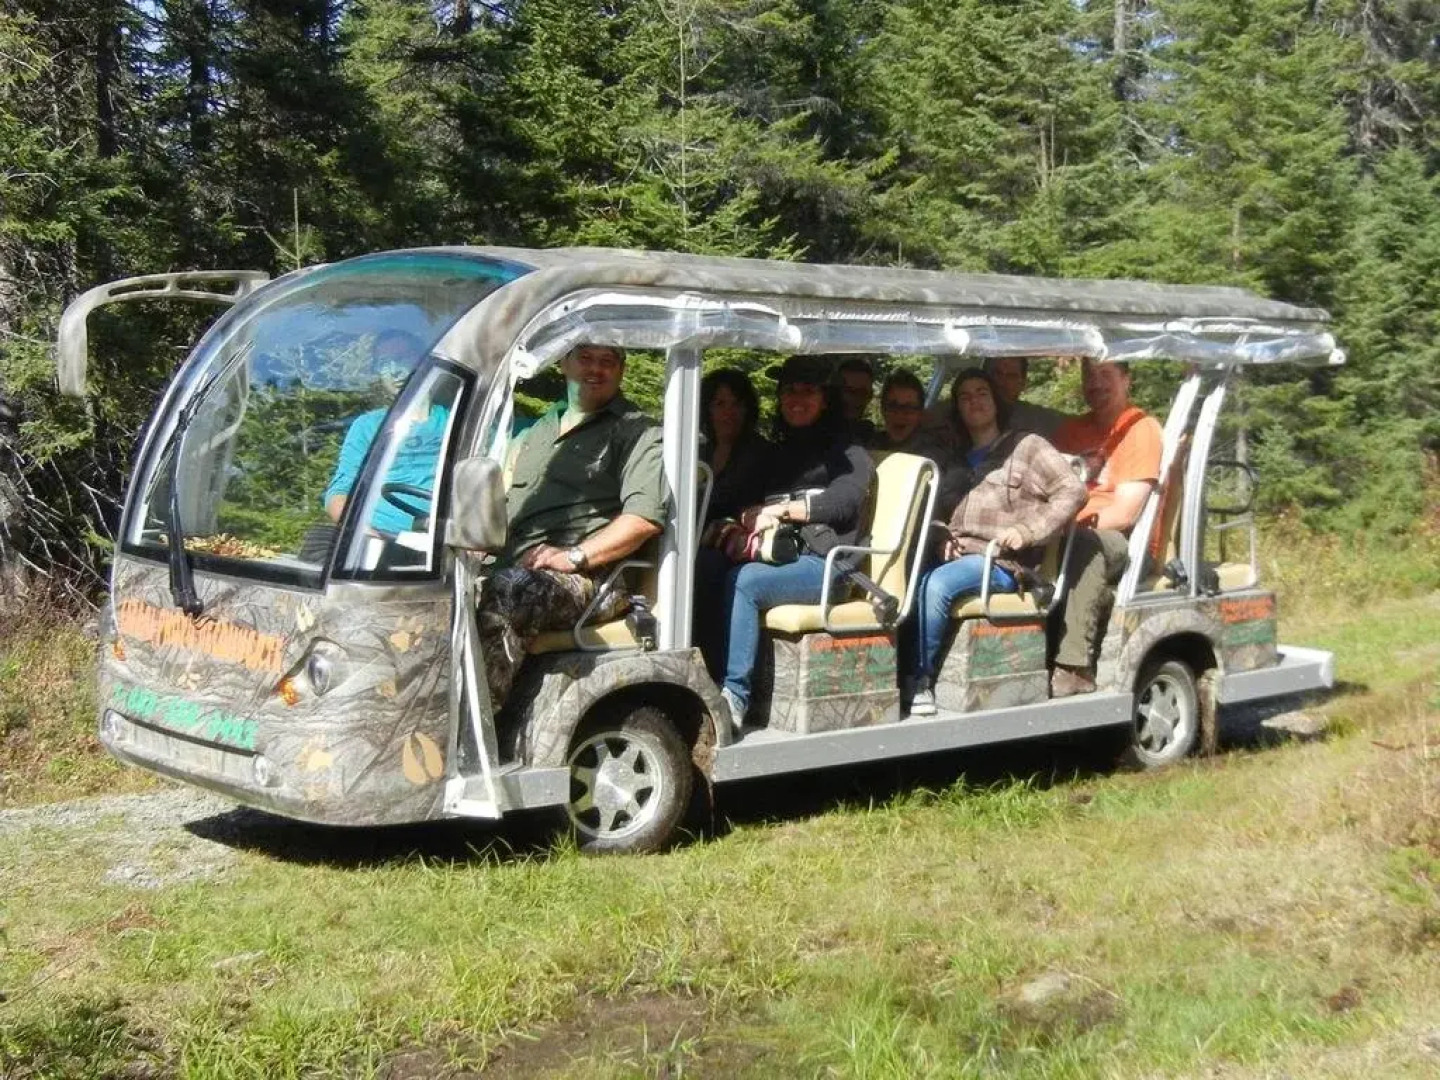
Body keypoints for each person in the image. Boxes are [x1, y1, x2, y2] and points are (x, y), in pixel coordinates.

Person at [478, 344, 666, 709]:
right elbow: (500, 505)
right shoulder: (535, 432)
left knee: (510, 591)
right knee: (431, 588)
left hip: (595, 578)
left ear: (622, 371)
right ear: (564, 364)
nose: (596, 368)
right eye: (585, 358)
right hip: (519, 565)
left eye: (608, 361)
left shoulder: (638, 432)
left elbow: (642, 520)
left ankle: (478, 729)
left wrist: (574, 556)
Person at [704, 355, 875, 731]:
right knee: (709, 567)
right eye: (789, 391)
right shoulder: (778, 452)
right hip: (780, 556)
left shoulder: (847, 450)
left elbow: (845, 501)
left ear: (825, 398)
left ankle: (734, 696)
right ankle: (706, 677)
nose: (796, 399)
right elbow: (743, 499)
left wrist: (783, 510)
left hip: (829, 565)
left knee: (744, 581)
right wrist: (743, 517)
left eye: (807, 390)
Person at [905, 369, 1085, 715]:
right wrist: (940, 534)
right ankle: (899, 672)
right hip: (957, 556)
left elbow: (1073, 490)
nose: (974, 401)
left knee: (937, 585)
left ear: (996, 401)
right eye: (964, 396)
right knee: (908, 576)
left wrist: (1028, 530)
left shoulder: (1026, 446)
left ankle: (920, 681)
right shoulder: (954, 457)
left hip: (1003, 563)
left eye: (982, 392)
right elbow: (935, 511)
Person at [1048, 358, 1163, 696]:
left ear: (1127, 379)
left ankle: (1074, 666)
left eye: (1105, 375)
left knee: (1086, 544)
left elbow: (1125, 513)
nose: (1095, 383)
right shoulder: (1070, 431)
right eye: (1089, 375)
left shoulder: (1141, 430)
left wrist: (1065, 525)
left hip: (1124, 542)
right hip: (1069, 529)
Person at [323, 329, 434, 532]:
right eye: (384, 364)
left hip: (442, 540)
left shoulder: (459, 416)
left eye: (402, 359)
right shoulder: (367, 426)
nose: (394, 371)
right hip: (373, 538)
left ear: (423, 363)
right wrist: (363, 533)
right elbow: (339, 493)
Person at [700, 368, 771, 523]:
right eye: (720, 404)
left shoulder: (762, 453)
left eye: (737, 404)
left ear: (748, 409)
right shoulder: (698, 449)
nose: (729, 412)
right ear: (707, 409)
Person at [984, 357, 1068, 439]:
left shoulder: (1038, 419)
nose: (1001, 381)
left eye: (1011, 376)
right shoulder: (973, 413)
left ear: (1023, 383)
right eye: (997, 373)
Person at [869, 370, 933, 454]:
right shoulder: (868, 446)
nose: (900, 414)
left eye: (909, 408)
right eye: (893, 406)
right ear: (882, 409)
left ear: (920, 414)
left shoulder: (933, 453)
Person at [834, 355, 877, 440]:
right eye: (849, 391)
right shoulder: (816, 432)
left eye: (862, 393)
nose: (855, 398)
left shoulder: (871, 437)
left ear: (870, 396)